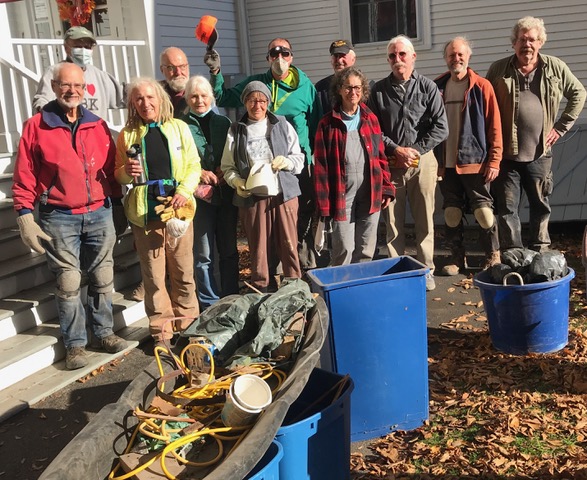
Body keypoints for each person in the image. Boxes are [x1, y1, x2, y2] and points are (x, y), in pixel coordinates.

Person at [13, 63, 128, 370]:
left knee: (103, 277)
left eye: (78, 86)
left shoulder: (97, 125)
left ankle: (103, 333)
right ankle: (75, 345)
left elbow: (108, 170)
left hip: (99, 212)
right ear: (54, 86)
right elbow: (24, 175)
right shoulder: (37, 126)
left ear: (85, 88)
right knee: (68, 281)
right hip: (59, 216)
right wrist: (25, 214)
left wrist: (117, 204)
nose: (72, 91)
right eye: (66, 85)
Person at [204, 38, 322, 271]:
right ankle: (270, 274)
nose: (280, 58)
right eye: (274, 53)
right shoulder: (256, 83)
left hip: (298, 163)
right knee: (266, 228)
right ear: (268, 58)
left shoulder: (306, 86)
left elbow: (316, 122)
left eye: (285, 53)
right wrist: (215, 71)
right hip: (259, 174)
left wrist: (309, 158)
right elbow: (224, 96)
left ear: (292, 56)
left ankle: (302, 271)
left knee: (298, 221)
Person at [486, 16, 586, 252]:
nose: (527, 45)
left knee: (540, 204)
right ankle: (514, 253)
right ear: (514, 43)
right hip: (507, 156)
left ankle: (540, 249)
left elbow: (578, 94)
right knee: (508, 208)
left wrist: (561, 127)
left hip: (540, 153)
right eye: (522, 39)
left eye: (532, 39)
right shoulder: (499, 69)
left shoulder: (555, 67)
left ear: (540, 42)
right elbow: (485, 104)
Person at [115, 77, 201, 345]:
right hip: (145, 214)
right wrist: (126, 172)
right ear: (133, 103)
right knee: (153, 278)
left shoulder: (178, 128)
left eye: (150, 97)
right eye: (139, 98)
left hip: (177, 210)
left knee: (184, 273)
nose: (145, 103)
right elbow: (118, 175)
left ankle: (188, 327)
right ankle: (162, 333)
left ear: (160, 99)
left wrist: (184, 192)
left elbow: (193, 165)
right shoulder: (127, 135)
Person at [367, 35, 448, 291]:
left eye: (402, 54)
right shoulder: (378, 91)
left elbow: (441, 126)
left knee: (425, 217)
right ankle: (396, 270)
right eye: (392, 56)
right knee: (391, 220)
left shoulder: (427, 87)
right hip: (390, 163)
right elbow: (373, 129)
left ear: (413, 57)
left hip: (423, 161)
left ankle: (426, 270)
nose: (397, 60)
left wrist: (415, 150)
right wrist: (395, 149)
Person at [220, 81, 305, 292]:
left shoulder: (283, 124)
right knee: (258, 249)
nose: (257, 105)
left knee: (289, 245)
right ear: (245, 103)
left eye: (261, 100)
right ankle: (261, 290)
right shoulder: (236, 130)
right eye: (251, 100)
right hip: (252, 197)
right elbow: (228, 166)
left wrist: (287, 162)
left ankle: (293, 288)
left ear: (268, 102)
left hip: (283, 194)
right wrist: (237, 182)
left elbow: (299, 158)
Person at [434, 37, 503, 275]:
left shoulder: (482, 86)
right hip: (446, 164)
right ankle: (456, 257)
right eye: (452, 55)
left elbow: (494, 125)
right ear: (446, 58)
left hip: (476, 162)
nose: (456, 59)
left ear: (468, 57)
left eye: (460, 54)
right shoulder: (437, 88)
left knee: (484, 212)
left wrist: (494, 159)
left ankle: (493, 256)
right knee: (451, 212)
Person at [314, 67, 395, 265]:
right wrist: (324, 206)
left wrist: (386, 188)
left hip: (371, 191)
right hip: (342, 195)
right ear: (339, 90)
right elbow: (321, 168)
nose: (353, 92)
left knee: (366, 248)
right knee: (344, 249)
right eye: (348, 87)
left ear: (363, 90)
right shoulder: (327, 124)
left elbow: (381, 157)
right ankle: (340, 289)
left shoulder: (371, 119)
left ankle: (360, 291)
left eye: (357, 88)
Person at [181, 75, 240, 309]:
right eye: (194, 96)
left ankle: (232, 296)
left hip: (224, 194)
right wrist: (199, 173)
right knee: (203, 254)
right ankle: (208, 302)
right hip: (198, 198)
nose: (199, 100)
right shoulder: (181, 125)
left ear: (211, 97)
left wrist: (225, 170)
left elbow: (233, 153)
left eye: (204, 95)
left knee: (228, 250)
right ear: (187, 98)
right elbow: (179, 161)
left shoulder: (223, 123)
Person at [33, 26, 123, 119]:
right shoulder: (54, 72)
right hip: (65, 131)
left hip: (93, 131)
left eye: (87, 47)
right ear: (66, 48)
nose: (83, 51)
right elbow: (42, 101)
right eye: (78, 46)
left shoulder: (100, 76)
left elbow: (123, 96)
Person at [314, 40, 357, 115]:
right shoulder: (321, 88)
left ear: (353, 59)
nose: (339, 60)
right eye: (336, 56)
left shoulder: (362, 86)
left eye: (343, 56)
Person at [159, 47, 190, 117]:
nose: (178, 72)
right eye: (171, 68)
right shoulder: (156, 91)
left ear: (188, 67)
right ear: (162, 70)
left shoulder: (198, 91)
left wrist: (215, 72)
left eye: (182, 66)